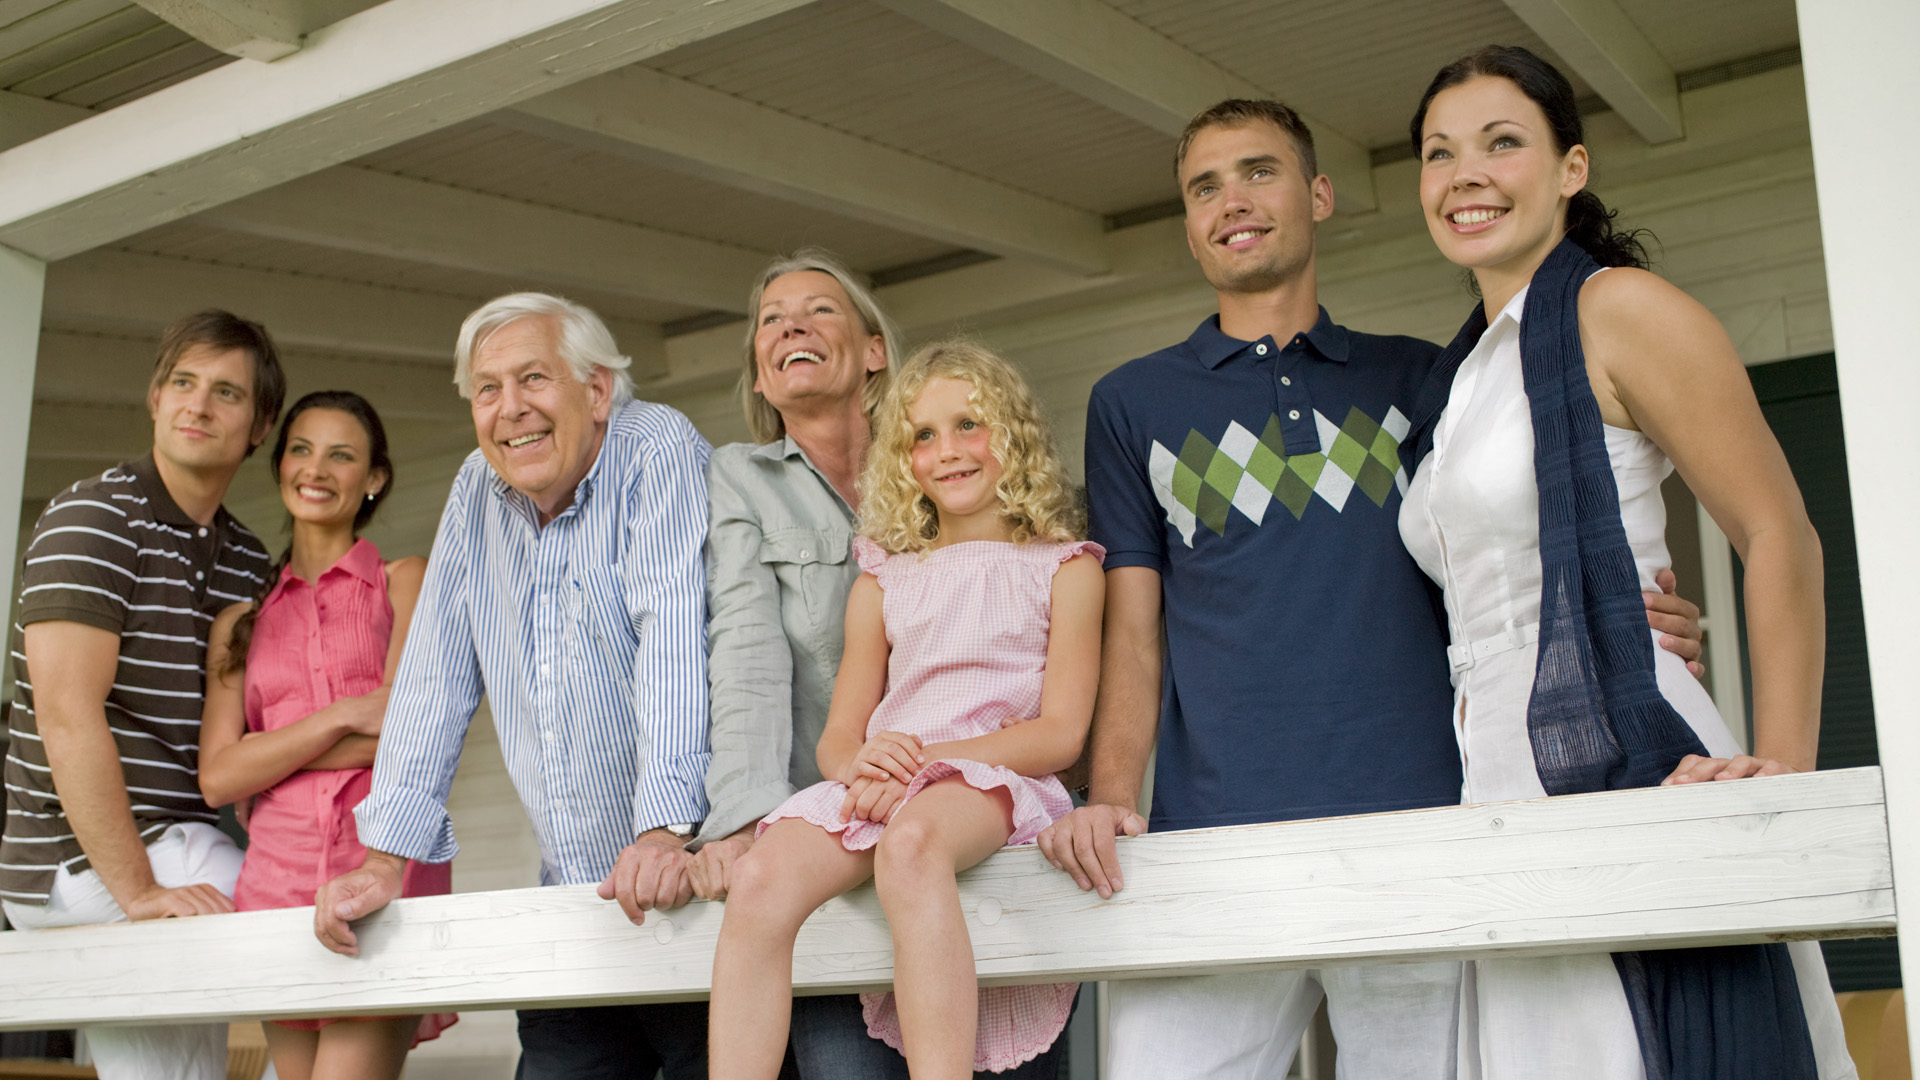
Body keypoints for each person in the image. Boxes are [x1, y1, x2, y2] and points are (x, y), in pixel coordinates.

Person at [1038, 99, 1706, 1079]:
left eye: (1259, 172)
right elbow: (1133, 634)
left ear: (1318, 195)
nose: (1233, 201)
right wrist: (1105, 795)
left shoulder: (1422, 377)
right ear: (1187, 222)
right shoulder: (1134, 401)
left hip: (1419, 829)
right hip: (1211, 842)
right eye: (1204, 186)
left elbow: (1498, 553)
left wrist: (1628, 620)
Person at [1400, 46, 1851, 1080]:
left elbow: (1781, 533)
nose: (1465, 174)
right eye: (1440, 153)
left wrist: (1778, 782)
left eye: (1501, 143)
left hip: (1620, 745)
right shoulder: (1462, 371)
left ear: (1571, 168)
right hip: (1496, 777)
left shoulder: (1622, 310)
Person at [309, 293, 714, 1079]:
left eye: (533, 378)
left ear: (596, 391)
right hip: (575, 898)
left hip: (692, 887)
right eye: (487, 389)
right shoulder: (476, 488)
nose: (510, 409)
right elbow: (434, 672)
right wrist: (386, 856)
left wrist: (667, 827)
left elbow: (675, 640)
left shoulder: (656, 448)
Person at [693, 250, 1073, 1079]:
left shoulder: (1066, 566)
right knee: (761, 879)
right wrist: (863, 762)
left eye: (970, 427)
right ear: (905, 457)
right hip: (885, 782)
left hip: (978, 780)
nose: (948, 450)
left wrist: (918, 765)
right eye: (925, 437)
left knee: (910, 847)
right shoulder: (882, 576)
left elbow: (1061, 731)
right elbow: (832, 731)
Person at [1, 310, 283, 1079]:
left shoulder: (247, 561)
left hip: (178, 843)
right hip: (82, 861)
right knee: (301, 906)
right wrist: (138, 891)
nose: (198, 405)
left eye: (226, 393)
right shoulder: (93, 520)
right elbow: (66, 716)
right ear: (155, 399)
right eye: (183, 383)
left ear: (259, 426)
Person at [197, 391, 453, 1080]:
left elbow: (410, 729)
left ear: (374, 478)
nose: (318, 468)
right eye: (302, 449)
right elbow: (218, 778)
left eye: (343, 455)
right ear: (281, 465)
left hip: (380, 858)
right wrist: (342, 715)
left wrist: (267, 754)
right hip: (275, 874)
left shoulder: (404, 582)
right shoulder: (240, 621)